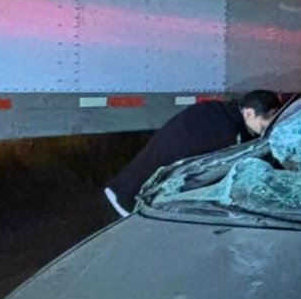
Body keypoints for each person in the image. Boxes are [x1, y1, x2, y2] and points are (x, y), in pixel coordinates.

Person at [104, 89, 282, 217]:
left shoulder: (215, 111)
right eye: (268, 118)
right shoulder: (228, 135)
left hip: (124, 187)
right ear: (249, 113)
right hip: (135, 204)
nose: (269, 127)